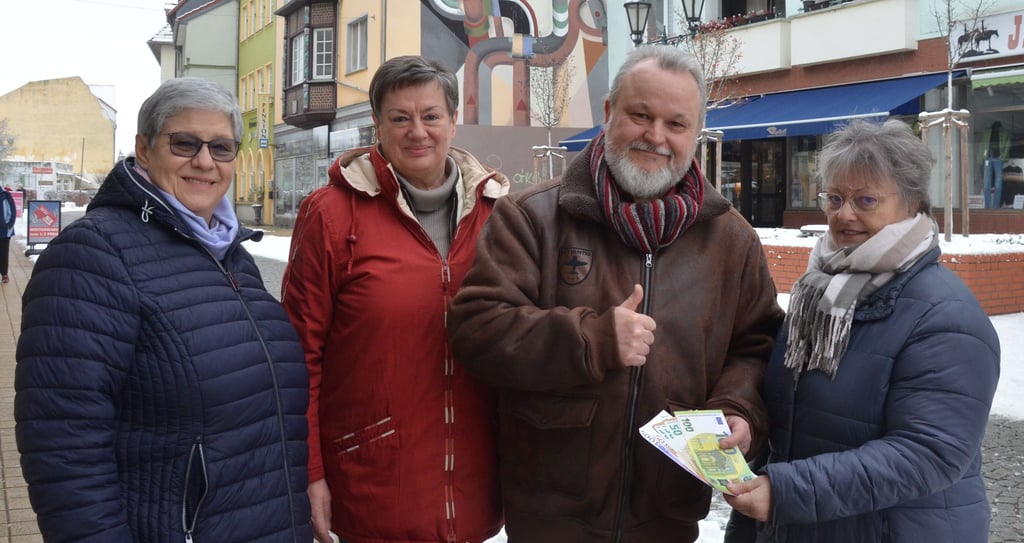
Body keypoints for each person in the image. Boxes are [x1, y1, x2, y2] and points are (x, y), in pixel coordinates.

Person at [446, 45, 784, 542]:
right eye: (640, 115)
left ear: (696, 134)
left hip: (668, 514)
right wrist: (592, 340)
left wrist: (738, 409)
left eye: (676, 124)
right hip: (549, 516)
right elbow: (476, 329)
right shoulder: (533, 216)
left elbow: (756, 346)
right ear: (609, 114)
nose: (656, 136)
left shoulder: (731, 239)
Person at [15, 77, 313, 543]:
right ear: (144, 148)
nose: (203, 161)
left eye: (221, 148)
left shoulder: (230, 255)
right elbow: (64, 449)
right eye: (184, 143)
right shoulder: (93, 255)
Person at [723, 119, 1001, 543]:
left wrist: (787, 492)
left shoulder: (946, 316)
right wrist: (749, 427)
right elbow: (794, 416)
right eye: (834, 198)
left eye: (865, 199)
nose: (844, 214)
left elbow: (928, 453)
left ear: (911, 204)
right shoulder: (818, 292)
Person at [280, 55, 509, 543]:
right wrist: (309, 471)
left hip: (477, 481)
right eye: (400, 118)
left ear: (453, 121)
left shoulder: (497, 215)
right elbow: (298, 358)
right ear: (377, 125)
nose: (417, 131)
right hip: (372, 484)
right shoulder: (333, 214)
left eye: (430, 116)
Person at [1, 185, 15, 283]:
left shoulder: (6, 195)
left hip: (4, 230)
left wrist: (9, 225)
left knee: (3, 253)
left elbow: (13, 211)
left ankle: (4, 274)